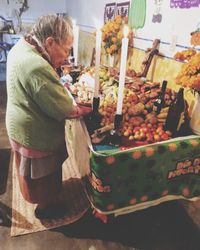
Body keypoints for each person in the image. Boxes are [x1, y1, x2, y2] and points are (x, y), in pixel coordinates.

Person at [6, 14, 92, 219]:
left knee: (32, 173)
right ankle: (46, 207)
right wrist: (85, 109)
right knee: (43, 176)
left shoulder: (21, 46)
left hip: (19, 122)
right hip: (35, 132)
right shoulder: (36, 65)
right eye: (66, 49)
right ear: (50, 42)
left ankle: (45, 199)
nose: (67, 56)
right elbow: (63, 108)